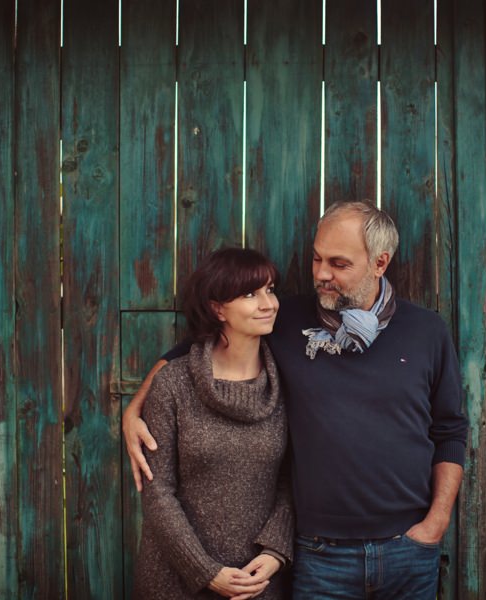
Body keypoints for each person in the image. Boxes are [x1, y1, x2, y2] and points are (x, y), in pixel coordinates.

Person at [125, 202, 468, 599]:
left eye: (339, 264)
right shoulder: (284, 319)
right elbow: (193, 350)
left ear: (380, 263)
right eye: (317, 258)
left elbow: (450, 430)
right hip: (321, 556)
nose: (321, 274)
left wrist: (436, 523)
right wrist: (134, 407)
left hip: (408, 551)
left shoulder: (426, 330)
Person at [131, 248, 293, 600]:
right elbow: (158, 491)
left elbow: (290, 479)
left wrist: (276, 551)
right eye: (250, 294)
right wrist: (205, 570)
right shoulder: (174, 383)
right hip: (174, 579)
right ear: (218, 309)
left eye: (270, 290)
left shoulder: (286, 383)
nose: (268, 304)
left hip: (257, 581)